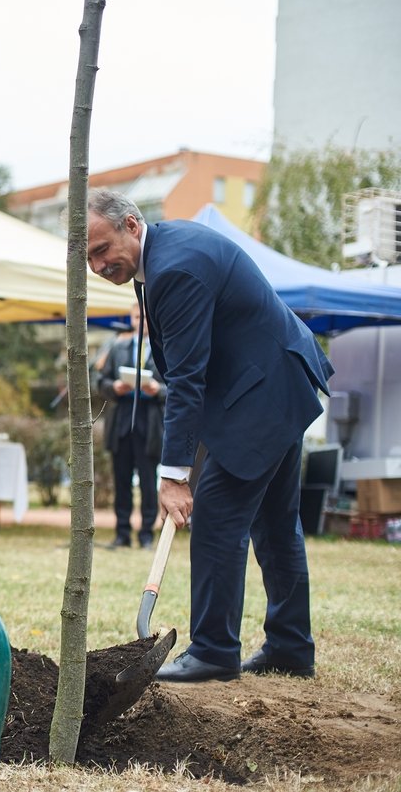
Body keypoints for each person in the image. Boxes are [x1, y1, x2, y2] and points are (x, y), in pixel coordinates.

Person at [86, 189, 333, 683]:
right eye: (86, 257)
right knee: (276, 525)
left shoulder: (173, 268)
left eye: (101, 249)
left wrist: (175, 476)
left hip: (262, 393)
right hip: (274, 383)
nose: (97, 266)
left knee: (219, 514)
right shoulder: (166, 251)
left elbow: (188, 378)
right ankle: (290, 646)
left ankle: (214, 651)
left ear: (131, 225)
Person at [94, 302, 165, 549]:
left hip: (149, 424)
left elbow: (177, 387)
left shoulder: (163, 348)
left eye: (145, 317)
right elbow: (100, 381)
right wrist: (113, 387)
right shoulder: (118, 347)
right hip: (122, 422)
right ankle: (122, 534)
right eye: (137, 316)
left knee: (148, 483)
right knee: (121, 482)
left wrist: (158, 390)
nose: (141, 320)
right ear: (132, 318)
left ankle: (146, 535)